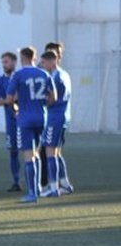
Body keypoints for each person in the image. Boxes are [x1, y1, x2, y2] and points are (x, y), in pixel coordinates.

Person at [5, 46, 57, 203]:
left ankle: (32, 193)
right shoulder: (44, 73)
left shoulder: (18, 75)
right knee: (37, 153)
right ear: (34, 57)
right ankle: (39, 188)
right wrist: (42, 105)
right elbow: (53, 97)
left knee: (28, 155)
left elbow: (9, 98)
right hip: (42, 117)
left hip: (25, 119)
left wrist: (16, 109)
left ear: (22, 58)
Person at [40, 45, 74, 196]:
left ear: (52, 61)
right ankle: (65, 184)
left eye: (44, 63)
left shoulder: (55, 77)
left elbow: (51, 98)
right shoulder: (64, 74)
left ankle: (53, 188)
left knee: (50, 151)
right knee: (57, 152)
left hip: (55, 117)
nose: (43, 66)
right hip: (63, 116)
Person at [0, 51, 22, 192]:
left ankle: (36, 181)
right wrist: (9, 100)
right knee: (13, 151)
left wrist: (7, 100)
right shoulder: (0, 81)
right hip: (10, 122)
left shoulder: (21, 77)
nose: (4, 65)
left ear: (14, 62)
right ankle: (16, 181)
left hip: (25, 119)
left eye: (7, 61)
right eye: (3, 62)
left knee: (32, 151)